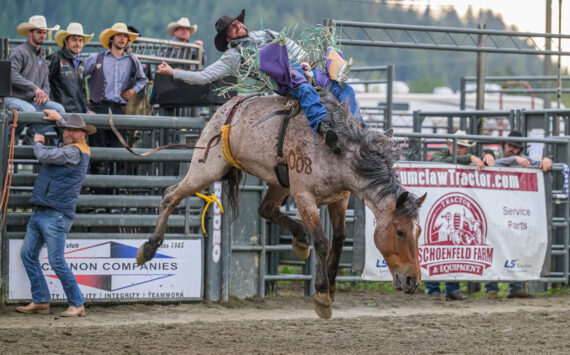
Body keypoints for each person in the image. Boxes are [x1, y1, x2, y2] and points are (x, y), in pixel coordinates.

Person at [157, 9, 364, 155]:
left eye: (238, 22)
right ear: (227, 37)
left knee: (343, 88)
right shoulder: (233, 56)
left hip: (305, 69)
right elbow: (204, 76)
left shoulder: (265, 34)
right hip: (286, 80)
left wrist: (303, 59)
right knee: (305, 91)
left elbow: (288, 43)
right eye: (232, 27)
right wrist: (174, 72)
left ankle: (359, 128)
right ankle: (324, 128)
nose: (238, 25)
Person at [17, 110, 96, 317]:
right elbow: (68, 134)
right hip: (45, 211)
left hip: (55, 213)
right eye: (66, 129)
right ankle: (41, 300)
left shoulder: (73, 152)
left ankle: (77, 303)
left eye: (74, 130)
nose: (68, 132)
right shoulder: (77, 148)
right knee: (28, 255)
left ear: (82, 134)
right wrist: (58, 119)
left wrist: (39, 141)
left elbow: (42, 155)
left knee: (56, 260)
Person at [484, 130, 552, 299]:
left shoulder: (523, 160)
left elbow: (538, 164)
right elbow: (492, 162)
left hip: (512, 210)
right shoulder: (494, 155)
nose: (512, 150)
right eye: (510, 146)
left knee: (515, 247)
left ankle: (515, 286)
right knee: (492, 246)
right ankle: (491, 288)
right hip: (494, 208)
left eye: (516, 148)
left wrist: (546, 160)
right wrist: (514, 160)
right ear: (504, 145)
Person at [425, 130, 490, 300]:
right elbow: (437, 161)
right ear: (449, 144)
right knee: (435, 246)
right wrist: (468, 159)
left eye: (463, 147)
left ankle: (451, 289)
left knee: (454, 250)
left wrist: (487, 157)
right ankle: (434, 289)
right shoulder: (441, 155)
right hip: (439, 205)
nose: (461, 150)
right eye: (459, 146)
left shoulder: (463, 158)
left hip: (452, 207)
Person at [84, 22, 148, 176]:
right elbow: (78, 75)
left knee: (118, 149)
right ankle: (98, 188)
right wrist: (83, 101)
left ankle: (114, 188)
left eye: (125, 36)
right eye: (119, 35)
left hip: (119, 108)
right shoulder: (95, 58)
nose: (122, 39)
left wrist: (133, 90)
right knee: (97, 149)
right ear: (111, 39)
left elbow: (143, 80)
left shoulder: (133, 60)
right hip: (98, 107)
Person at [7, 15, 65, 142]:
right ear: (30, 33)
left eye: (44, 32)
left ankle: (32, 137)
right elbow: (11, 74)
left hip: (31, 101)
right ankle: (8, 140)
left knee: (58, 109)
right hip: (12, 98)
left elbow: (46, 83)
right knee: (28, 110)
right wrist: (35, 89)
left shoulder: (42, 58)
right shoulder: (19, 52)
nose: (43, 35)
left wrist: (44, 94)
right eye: (39, 32)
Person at [48, 22, 95, 114]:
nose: (78, 44)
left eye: (80, 40)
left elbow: (82, 90)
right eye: (74, 40)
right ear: (66, 41)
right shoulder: (55, 58)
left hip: (78, 111)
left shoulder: (81, 63)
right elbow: (44, 83)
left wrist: (86, 109)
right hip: (60, 111)